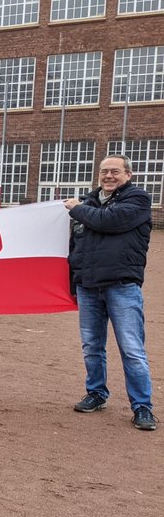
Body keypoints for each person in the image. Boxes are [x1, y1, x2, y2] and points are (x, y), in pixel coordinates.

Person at [65, 154, 156, 432]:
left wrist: (76, 208)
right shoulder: (88, 202)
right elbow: (73, 248)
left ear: (128, 175)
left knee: (131, 349)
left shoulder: (138, 200)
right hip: (88, 287)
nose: (108, 176)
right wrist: (74, 284)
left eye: (115, 171)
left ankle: (142, 406)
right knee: (92, 346)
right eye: (104, 171)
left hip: (121, 286)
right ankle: (96, 393)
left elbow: (109, 221)